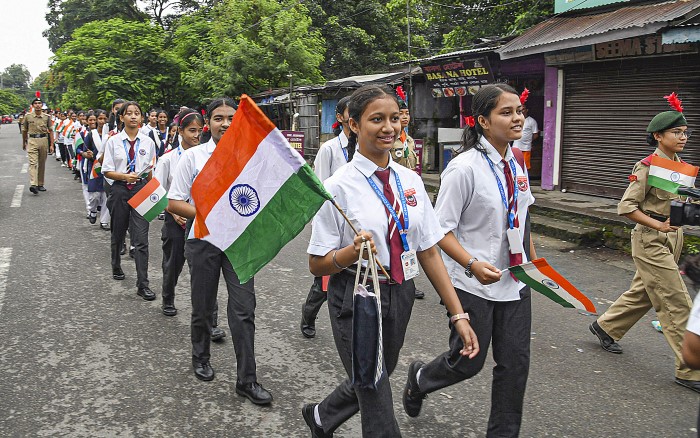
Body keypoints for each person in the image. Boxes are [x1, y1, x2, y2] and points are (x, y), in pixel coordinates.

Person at [302, 85, 479, 437]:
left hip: (400, 291)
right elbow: (317, 263)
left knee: (381, 369)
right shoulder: (337, 187)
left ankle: (323, 416)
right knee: (373, 385)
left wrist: (457, 314)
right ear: (353, 125)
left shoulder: (410, 180)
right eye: (376, 119)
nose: (388, 127)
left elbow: (428, 250)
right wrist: (351, 251)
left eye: (394, 118)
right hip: (356, 295)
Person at [401, 84, 536, 437]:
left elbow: (522, 218)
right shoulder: (463, 169)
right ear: (483, 122)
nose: (517, 118)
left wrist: (537, 268)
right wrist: (472, 263)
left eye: (519, 110)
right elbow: (438, 231)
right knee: (467, 362)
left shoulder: (517, 162)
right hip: (472, 284)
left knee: (515, 365)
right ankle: (420, 378)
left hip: (516, 283)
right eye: (506, 112)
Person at [589, 94, 700, 393]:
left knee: (646, 292)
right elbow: (626, 207)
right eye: (677, 132)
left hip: (674, 237)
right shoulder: (647, 166)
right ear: (658, 136)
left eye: (685, 133)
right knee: (676, 300)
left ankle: (606, 326)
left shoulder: (683, 168)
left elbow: (681, 202)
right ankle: (690, 370)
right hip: (650, 238)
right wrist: (657, 224)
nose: (683, 137)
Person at [168, 98, 271, 404]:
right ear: (207, 123)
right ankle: (200, 357)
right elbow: (174, 203)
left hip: (240, 242)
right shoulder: (193, 158)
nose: (225, 123)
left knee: (243, 309)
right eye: (218, 118)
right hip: (203, 240)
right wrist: (208, 215)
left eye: (230, 118)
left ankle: (247, 380)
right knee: (202, 305)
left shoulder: (252, 157)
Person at [300, 96, 352, 339]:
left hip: (358, 226)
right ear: (340, 117)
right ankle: (308, 314)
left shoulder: (368, 147)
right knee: (324, 281)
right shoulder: (329, 149)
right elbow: (320, 189)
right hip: (334, 222)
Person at [102, 101, 158, 301]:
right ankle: (116, 263)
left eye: (137, 113)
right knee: (118, 233)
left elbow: (151, 170)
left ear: (141, 118)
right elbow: (106, 170)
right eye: (129, 113)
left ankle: (143, 284)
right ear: (121, 117)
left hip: (141, 190)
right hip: (119, 190)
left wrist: (153, 193)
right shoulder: (114, 142)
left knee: (141, 239)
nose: (133, 116)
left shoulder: (148, 142)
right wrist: (125, 177)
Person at [154, 109, 203, 317]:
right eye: (192, 130)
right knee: (173, 264)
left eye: (200, 131)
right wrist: (173, 211)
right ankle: (168, 297)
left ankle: (210, 318)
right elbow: (157, 191)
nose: (196, 135)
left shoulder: (206, 157)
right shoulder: (168, 159)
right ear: (180, 131)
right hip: (176, 221)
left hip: (199, 221)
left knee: (202, 271)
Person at [82, 109, 111, 228]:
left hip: (108, 168)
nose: (102, 121)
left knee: (106, 196)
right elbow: (84, 150)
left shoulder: (111, 135)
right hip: (94, 168)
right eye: (100, 118)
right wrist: (86, 154)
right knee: (94, 195)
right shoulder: (91, 135)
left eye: (105, 119)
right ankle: (92, 210)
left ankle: (104, 221)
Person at [22, 98, 54, 194]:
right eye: (35, 103)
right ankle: (33, 184)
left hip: (44, 140)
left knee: (42, 163)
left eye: (39, 103)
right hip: (32, 140)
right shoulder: (28, 117)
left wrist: (52, 144)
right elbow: (24, 130)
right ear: (32, 105)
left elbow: (51, 131)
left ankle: (40, 184)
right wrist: (24, 142)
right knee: (33, 162)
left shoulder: (47, 117)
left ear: (42, 105)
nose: (37, 105)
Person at [390, 100, 418, 171]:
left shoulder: (410, 140)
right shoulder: (389, 139)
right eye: (401, 113)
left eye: (407, 114)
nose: (405, 117)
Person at [512, 104, 538, 170]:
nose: (522, 111)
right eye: (520, 109)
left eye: (523, 109)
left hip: (526, 147)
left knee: (525, 167)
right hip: (516, 147)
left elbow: (535, 135)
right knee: (515, 165)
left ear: (527, 110)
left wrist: (528, 141)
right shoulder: (516, 120)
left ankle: (524, 180)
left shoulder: (532, 121)